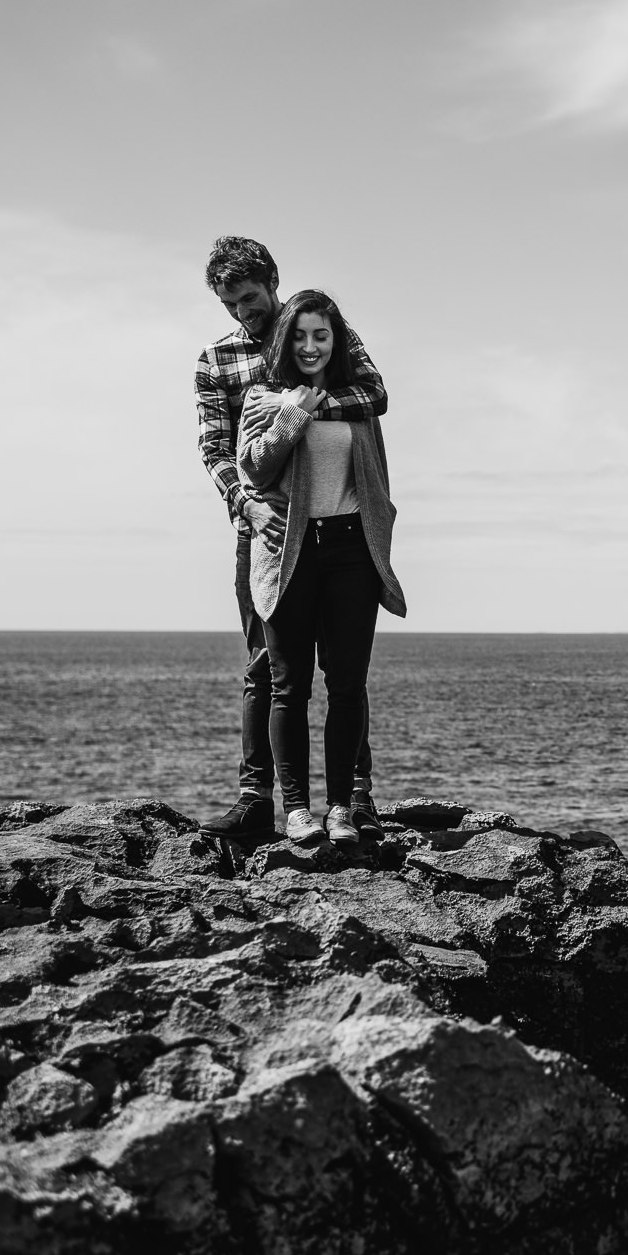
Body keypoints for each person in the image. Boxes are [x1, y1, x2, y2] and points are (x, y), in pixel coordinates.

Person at [193, 237, 389, 841]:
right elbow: (215, 448)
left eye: (249, 298)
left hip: (338, 530)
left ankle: (355, 799)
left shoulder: (318, 327)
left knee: (343, 667)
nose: (241, 313)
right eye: (229, 303)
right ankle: (259, 799)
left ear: (272, 281)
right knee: (267, 668)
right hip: (265, 530)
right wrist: (246, 504)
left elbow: (374, 394)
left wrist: (305, 406)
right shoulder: (217, 360)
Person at [236, 290, 407, 845]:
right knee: (289, 687)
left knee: (349, 684)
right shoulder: (263, 397)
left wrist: (384, 517)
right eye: (302, 336)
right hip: (291, 548)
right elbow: (254, 471)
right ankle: (296, 812)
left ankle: (340, 810)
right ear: (286, 340)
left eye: (322, 335)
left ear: (336, 340)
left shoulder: (356, 400)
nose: (311, 346)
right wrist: (291, 417)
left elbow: (376, 468)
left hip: (352, 547)